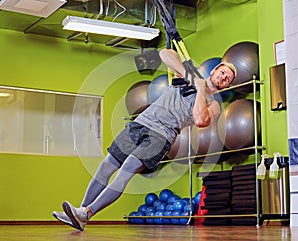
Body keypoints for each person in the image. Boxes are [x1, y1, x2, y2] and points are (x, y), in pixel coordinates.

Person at [52, 48, 236, 231]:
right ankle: (79, 212)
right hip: (140, 124)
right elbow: (165, 53)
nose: (223, 78)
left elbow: (200, 119)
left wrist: (201, 90)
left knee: (126, 170)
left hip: (161, 135)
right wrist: (190, 78)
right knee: (106, 165)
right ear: (214, 70)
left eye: (227, 79)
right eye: (222, 73)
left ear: (226, 86)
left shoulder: (213, 105)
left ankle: (88, 213)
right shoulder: (187, 76)